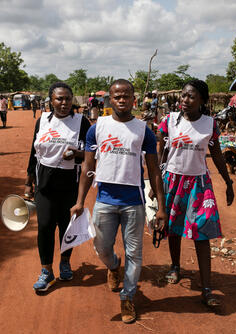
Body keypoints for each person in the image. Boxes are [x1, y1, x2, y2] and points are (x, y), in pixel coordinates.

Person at [71, 79, 167, 324]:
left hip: (134, 201)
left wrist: (161, 208)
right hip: (104, 199)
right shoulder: (97, 128)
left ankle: (127, 297)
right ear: (110, 100)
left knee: (134, 253)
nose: (122, 100)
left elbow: (154, 170)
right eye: (117, 96)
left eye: (126, 96)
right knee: (102, 248)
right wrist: (80, 201)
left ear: (134, 99)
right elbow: (87, 167)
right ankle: (113, 266)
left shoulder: (143, 130)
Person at [157, 80, 234, 309]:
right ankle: (175, 266)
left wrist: (229, 182)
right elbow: (160, 152)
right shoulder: (168, 121)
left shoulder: (210, 125)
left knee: (202, 232)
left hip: (199, 184)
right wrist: (157, 185)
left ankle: (206, 288)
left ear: (202, 100)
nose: (184, 100)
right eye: (183, 96)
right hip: (172, 180)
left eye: (190, 96)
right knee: (173, 229)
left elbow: (217, 155)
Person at [25, 82, 91, 292]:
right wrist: (28, 182)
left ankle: (65, 261)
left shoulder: (81, 122)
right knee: (44, 226)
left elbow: (91, 154)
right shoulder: (42, 120)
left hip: (69, 182)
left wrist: (76, 154)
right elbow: (33, 153)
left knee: (66, 227)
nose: (64, 103)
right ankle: (46, 271)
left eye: (67, 99)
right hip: (44, 182)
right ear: (51, 100)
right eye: (59, 99)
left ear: (73, 100)